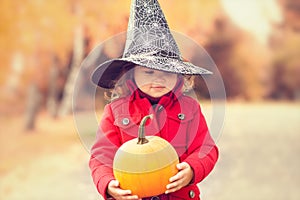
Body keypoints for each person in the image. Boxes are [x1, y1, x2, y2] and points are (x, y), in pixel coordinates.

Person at [89, 0, 218, 199]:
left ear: (178, 74)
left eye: (167, 71)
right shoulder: (116, 111)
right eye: (148, 72)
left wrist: (192, 169)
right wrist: (108, 184)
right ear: (131, 74)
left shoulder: (189, 108)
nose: (158, 78)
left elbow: (206, 149)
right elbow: (101, 157)